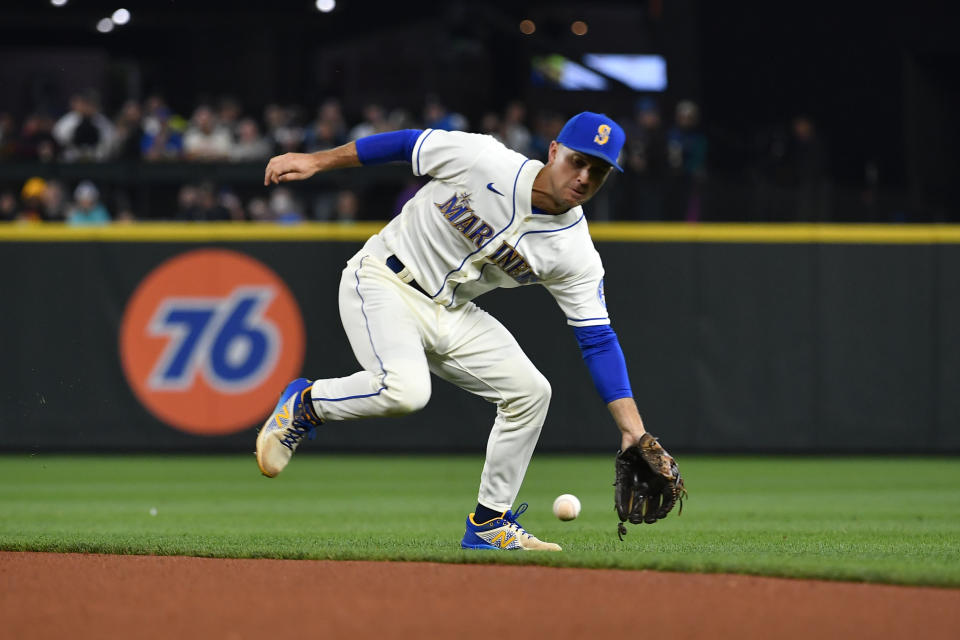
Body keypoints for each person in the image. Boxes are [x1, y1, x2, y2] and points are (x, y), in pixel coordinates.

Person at [257, 112, 661, 551]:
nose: (584, 177)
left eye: (598, 171)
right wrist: (317, 161)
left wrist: (633, 431)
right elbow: (404, 144)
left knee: (530, 393)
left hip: (449, 311)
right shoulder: (483, 159)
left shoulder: (575, 254)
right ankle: (308, 403)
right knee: (406, 392)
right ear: (554, 151)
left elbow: (598, 339)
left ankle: (490, 522)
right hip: (383, 279)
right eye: (578, 162)